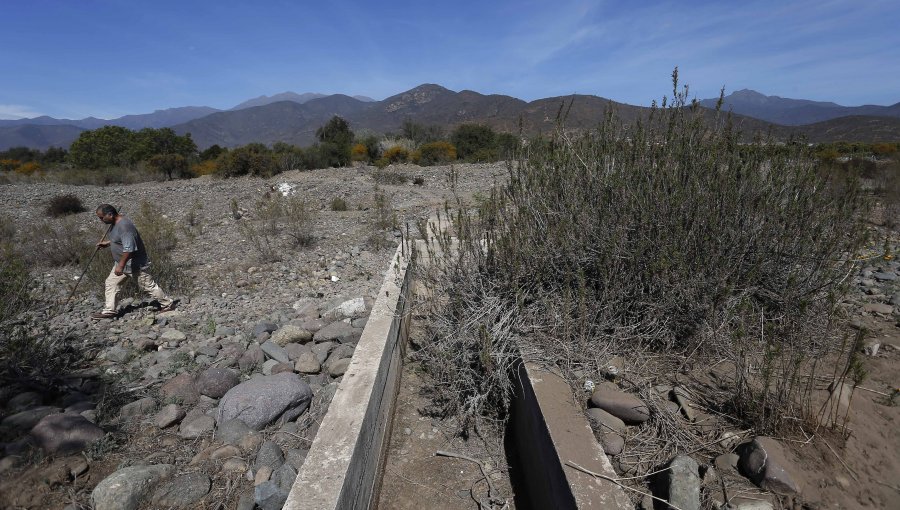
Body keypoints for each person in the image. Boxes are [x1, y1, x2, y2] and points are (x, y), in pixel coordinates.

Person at [91, 204, 176, 320]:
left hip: (134, 265)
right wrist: (108, 243)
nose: (101, 220)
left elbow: (129, 248)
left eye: (101, 217)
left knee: (148, 287)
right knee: (111, 283)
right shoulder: (114, 224)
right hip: (121, 264)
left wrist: (120, 265)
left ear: (110, 215)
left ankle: (168, 304)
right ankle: (109, 311)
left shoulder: (124, 226)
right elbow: (120, 240)